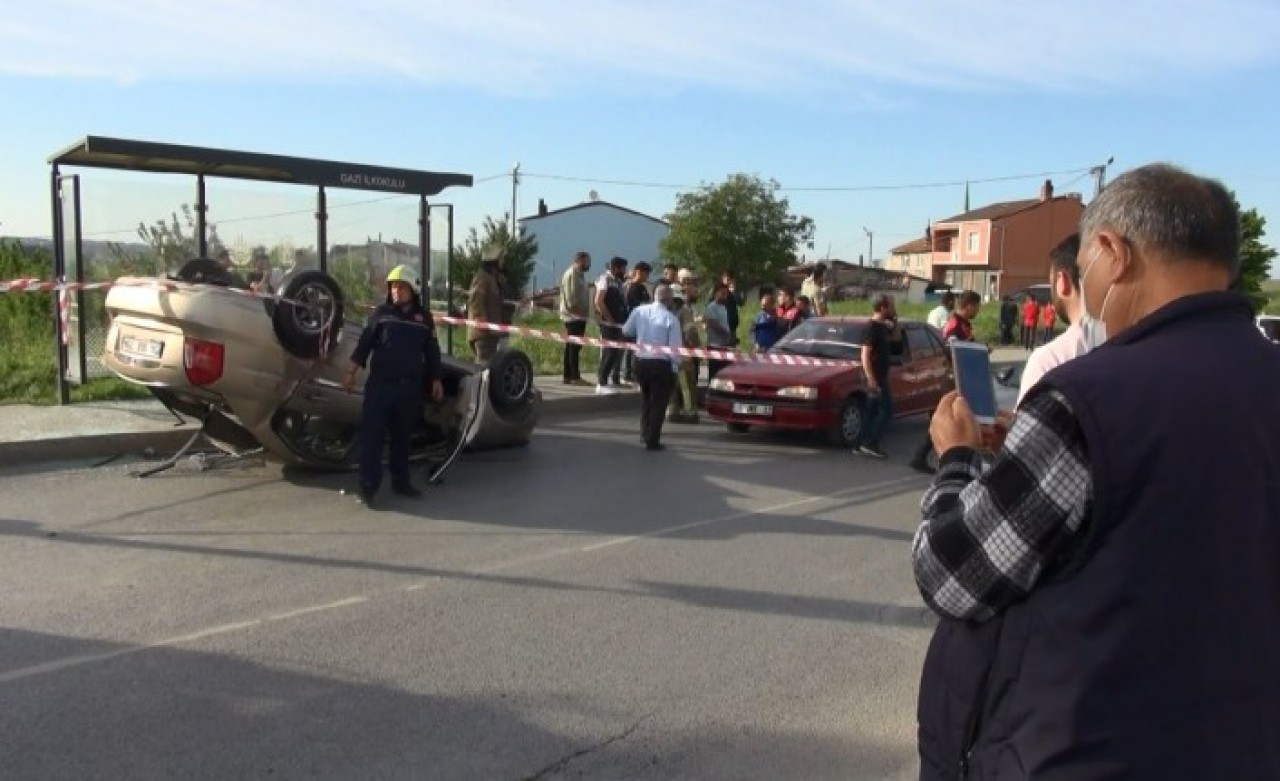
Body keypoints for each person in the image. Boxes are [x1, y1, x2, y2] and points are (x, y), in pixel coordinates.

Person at [912, 163, 1280, 779]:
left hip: (1082, 748)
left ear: (1113, 251)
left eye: (1084, 270)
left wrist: (955, 461)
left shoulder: (1088, 399)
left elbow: (952, 574)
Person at [342, 265, 443, 509]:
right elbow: (364, 344)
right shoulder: (381, 314)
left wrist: (436, 379)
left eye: (401, 287)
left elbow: (432, 352)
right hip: (380, 387)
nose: (395, 291)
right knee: (372, 437)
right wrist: (350, 372)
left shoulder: (424, 319)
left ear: (412, 290)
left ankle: (401, 481)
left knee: (402, 438)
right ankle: (368, 486)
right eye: (393, 287)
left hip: (408, 389)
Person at [909, 291, 982, 473]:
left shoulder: (963, 324)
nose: (978, 311)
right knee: (951, 419)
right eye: (977, 307)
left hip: (962, 378)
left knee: (956, 419)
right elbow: (953, 352)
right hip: (954, 379)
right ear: (969, 306)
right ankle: (928, 457)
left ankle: (922, 456)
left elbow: (968, 346)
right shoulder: (954, 325)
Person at [1017, 233, 1088, 406]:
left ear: (1062, 281)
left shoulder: (1048, 360)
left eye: (1051, 282)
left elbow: (1029, 424)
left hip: (1039, 323)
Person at [621, 283, 683, 451]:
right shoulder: (671, 319)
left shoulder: (639, 311)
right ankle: (652, 440)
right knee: (659, 403)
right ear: (669, 300)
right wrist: (675, 368)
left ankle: (644, 433)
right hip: (660, 365)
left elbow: (626, 331)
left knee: (646, 399)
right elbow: (674, 349)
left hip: (640, 362)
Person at [851, 294, 898, 459]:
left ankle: (860, 443)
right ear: (883, 307)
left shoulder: (882, 326)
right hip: (875, 376)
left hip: (880, 375)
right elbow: (865, 355)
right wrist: (871, 379)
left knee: (870, 411)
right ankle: (871, 443)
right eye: (890, 306)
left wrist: (894, 319)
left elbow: (896, 336)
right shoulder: (871, 328)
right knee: (887, 409)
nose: (892, 308)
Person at [667, 271, 702, 423]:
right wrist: (697, 347)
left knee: (672, 385)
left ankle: (673, 411)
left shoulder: (664, 311)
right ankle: (691, 412)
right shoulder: (684, 311)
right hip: (684, 354)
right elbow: (691, 332)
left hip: (667, 354)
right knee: (687, 384)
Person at [594, 256, 629, 395]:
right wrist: (610, 320)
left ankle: (606, 380)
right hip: (608, 323)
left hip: (618, 323)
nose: (624, 271)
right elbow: (599, 302)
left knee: (614, 353)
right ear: (615, 268)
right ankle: (601, 383)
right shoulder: (605, 279)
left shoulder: (618, 282)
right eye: (622, 268)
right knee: (609, 352)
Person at [558, 251, 592, 385]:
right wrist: (578, 313)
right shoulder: (572, 274)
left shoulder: (579, 274)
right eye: (587, 261)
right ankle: (575, 377)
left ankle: (567, 376)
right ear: (580, 260)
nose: (589, 264)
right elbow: (571, 298)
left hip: (578, 316)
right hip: (574, 316)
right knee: (574, 346)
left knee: (572, 346)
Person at [466, 245, 504, 362]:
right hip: (483, 333)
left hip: (490, 333)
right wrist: (481, 322)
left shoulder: (490, 278)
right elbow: (476, 300)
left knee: (488, 364)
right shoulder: (482, 277)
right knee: (483, 365)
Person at [621, 261, 653, 384]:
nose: (647, 276)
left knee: (637, 349)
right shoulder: (631, 287)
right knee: (630, 349)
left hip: (643, 324)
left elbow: (648, 301)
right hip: (633, 322)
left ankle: (634, 373)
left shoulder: (642, 287)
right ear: (639, 272)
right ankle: (627, 374)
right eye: (646, 273)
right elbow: (634, 305)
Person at [703, 283, 735, 380]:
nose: (725, 296)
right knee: (714, 373)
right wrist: (727, 335)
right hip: (714, 346)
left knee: (725, 373)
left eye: (726, 294)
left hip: (724, 346)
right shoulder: (711, 307)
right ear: (716, 293)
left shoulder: (724, 307)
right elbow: (713, 324)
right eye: (722, 293)